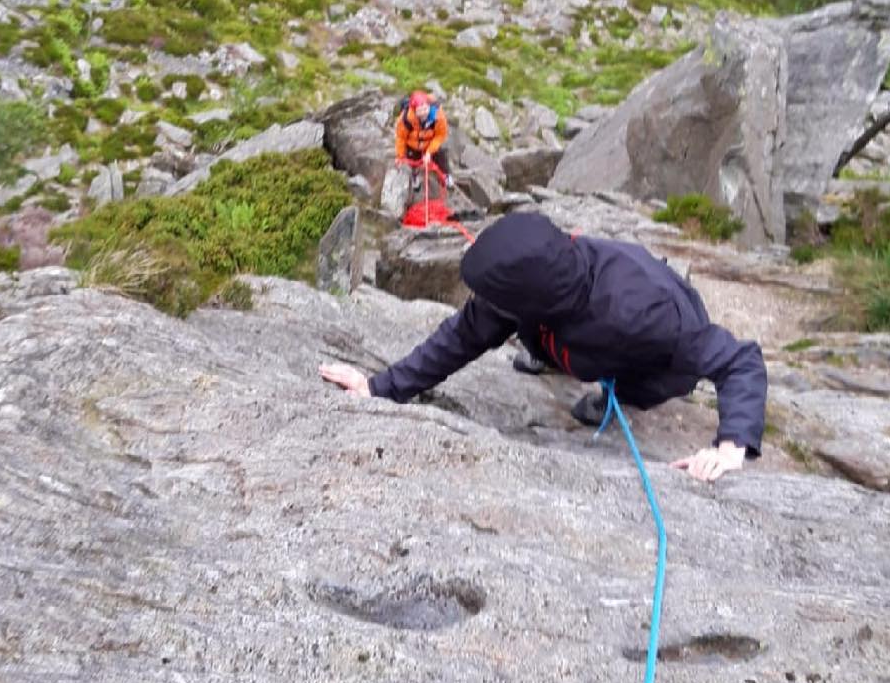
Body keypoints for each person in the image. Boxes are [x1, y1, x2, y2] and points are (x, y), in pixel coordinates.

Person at [320, 210, 766, 482]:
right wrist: (380, 388)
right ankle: (552, 355)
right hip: (565, 321)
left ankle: (620, 395)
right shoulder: (536, 281)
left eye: (493, 298)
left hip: (656, 342)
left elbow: (738, 360)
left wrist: (731, 445)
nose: (484, 306)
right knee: (547, 339)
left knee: (655, 378)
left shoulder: (642, 315)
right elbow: (463, 336)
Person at [395, 90, 449, 185]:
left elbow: (440, 135)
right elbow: (401, 138)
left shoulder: (438, 117)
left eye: (425, 109)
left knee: (441, 155)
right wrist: (400, 156)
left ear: (429, 106)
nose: (424, 113)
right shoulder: (406, 119)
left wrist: (429, 151)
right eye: (420, 110)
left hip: (430, 143)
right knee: (411, 161)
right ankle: (415, 178)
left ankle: (446, 176)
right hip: (413, 145)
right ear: (414, 110)